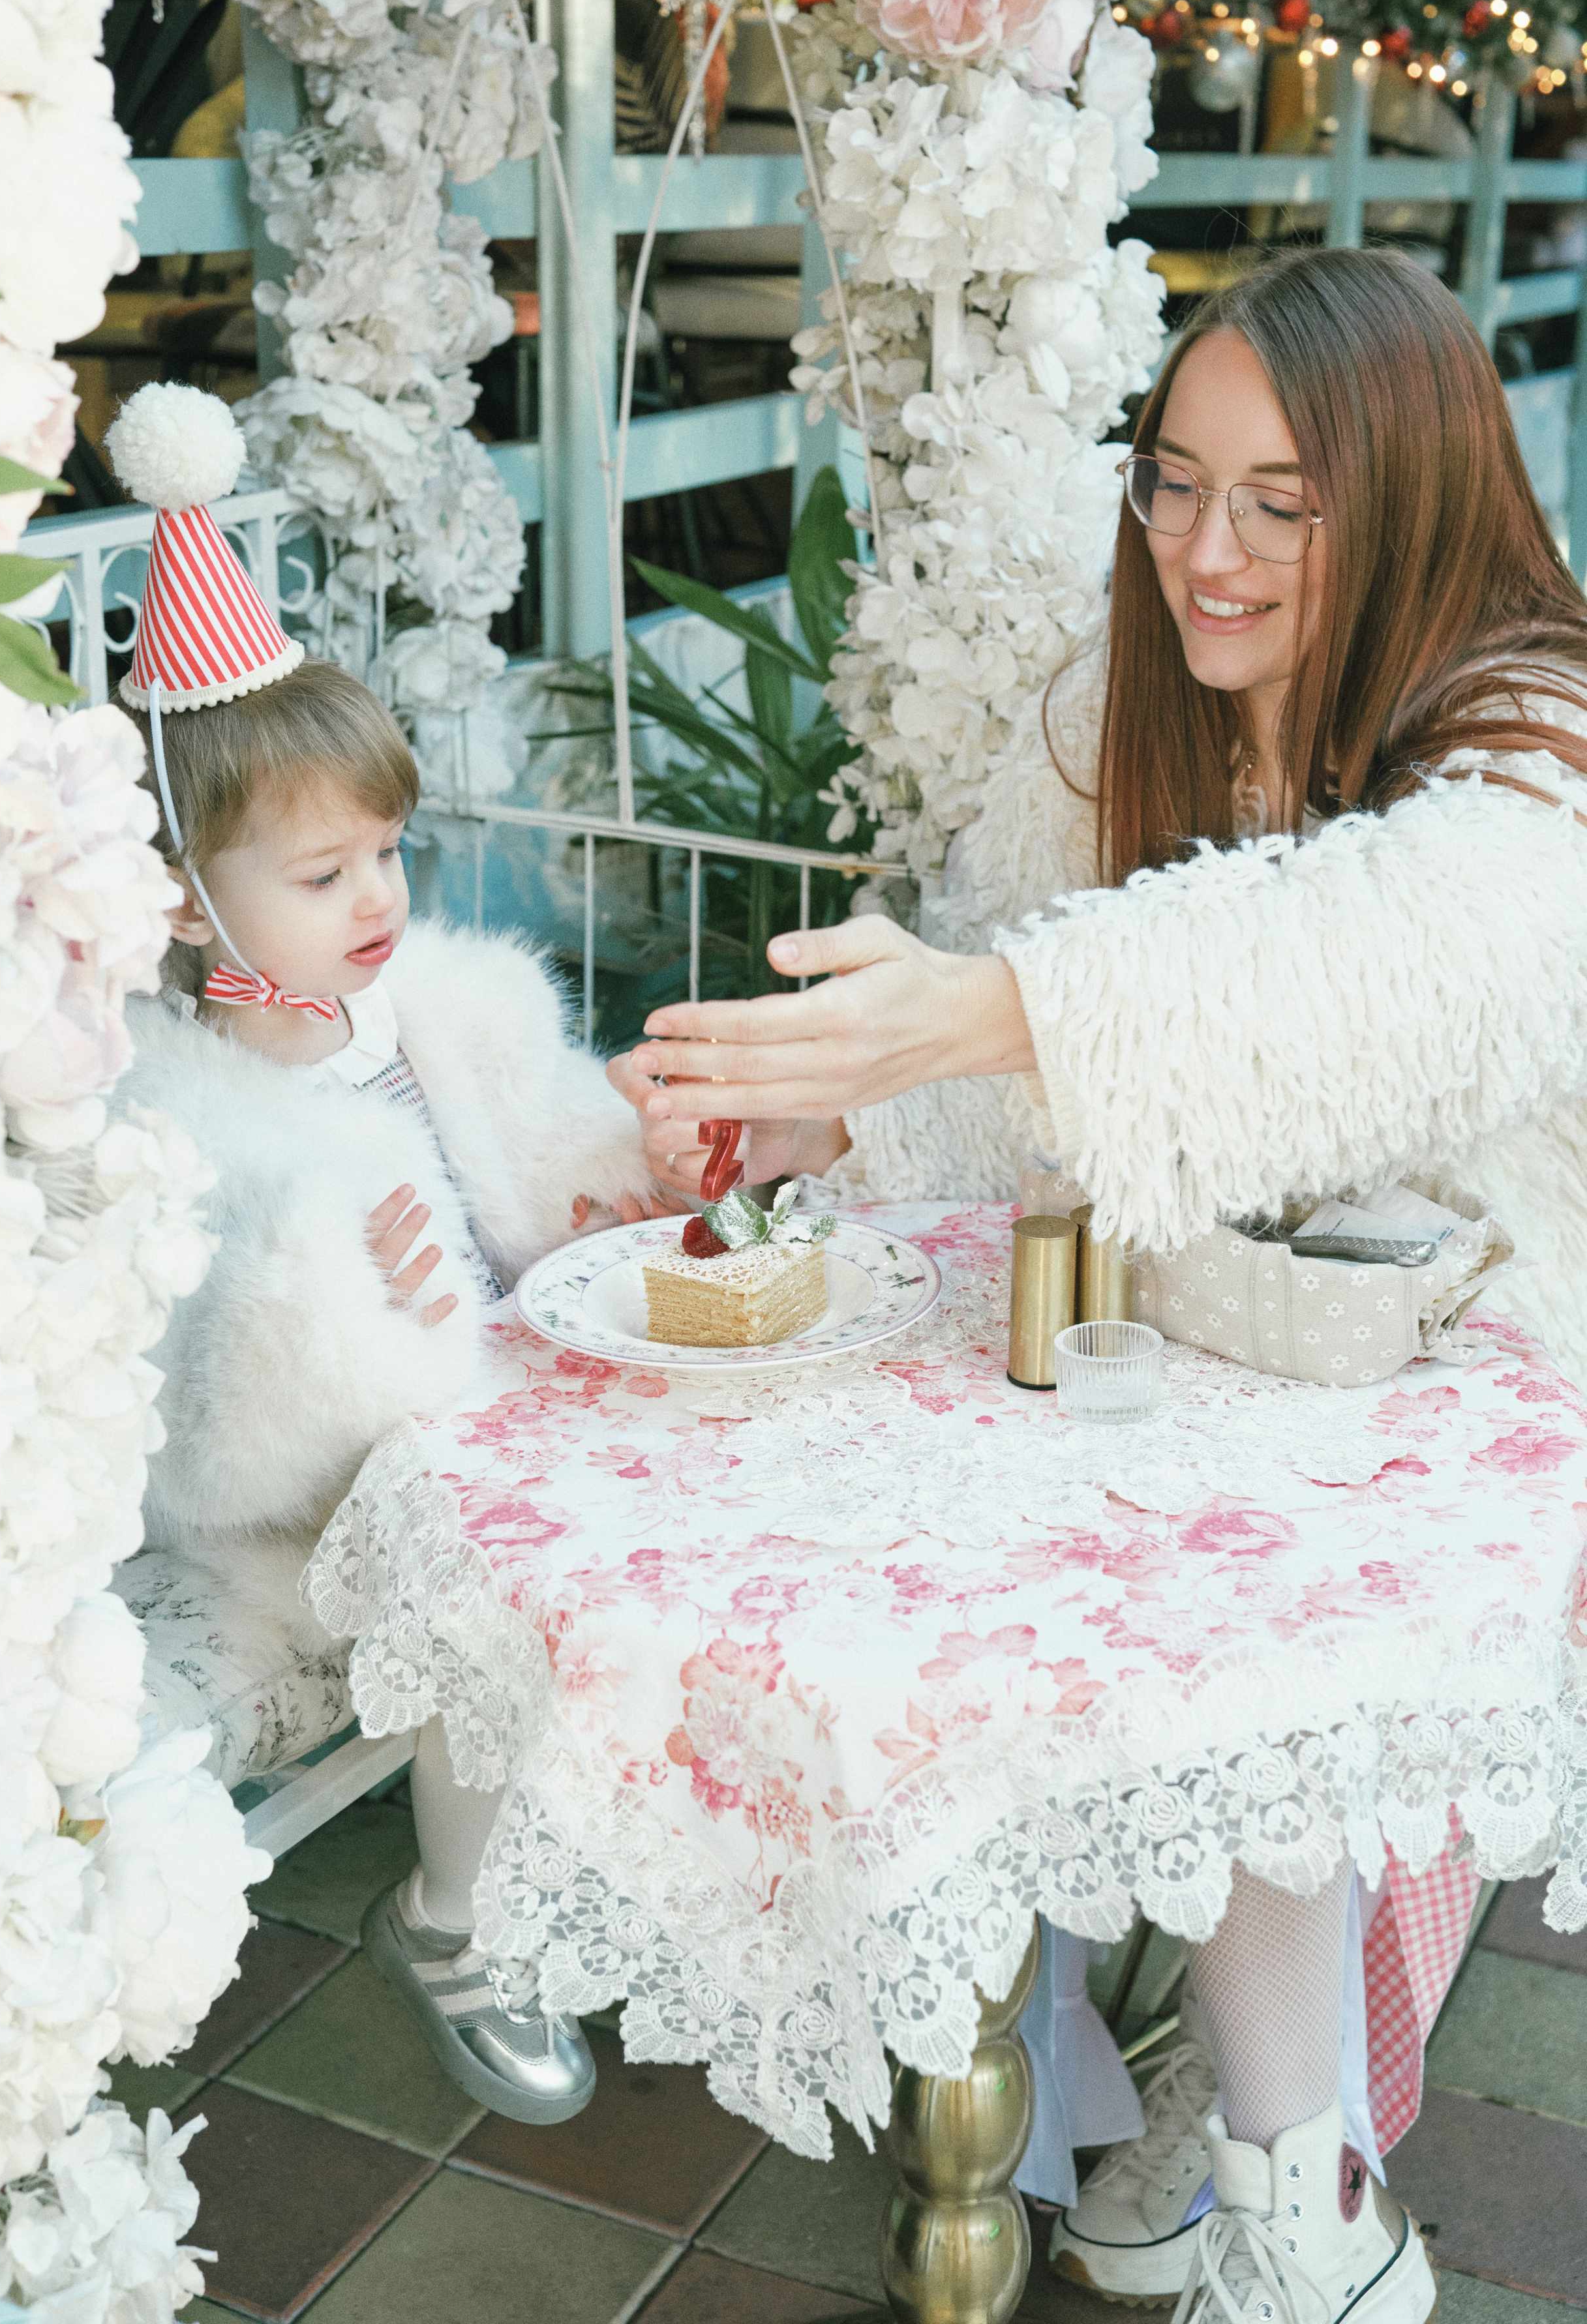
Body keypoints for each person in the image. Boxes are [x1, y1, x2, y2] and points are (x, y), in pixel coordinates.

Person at [612, 248, 1587, 2318]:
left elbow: (1352, 964)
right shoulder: (1142, 688)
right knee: (1033, 1521)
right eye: (1172, 481)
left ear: (1405, 505)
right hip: (1261, 1335)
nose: (1202, 554)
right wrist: (828, 1121)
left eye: (1278, 505)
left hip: (1497, 1386)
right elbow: (1028, 1050)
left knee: (1249, 1620)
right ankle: (1161, 2075)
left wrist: (972, 1014)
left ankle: (1298, 2188)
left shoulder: (1541, 739)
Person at [98, 383, 657, 2130]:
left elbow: (545, 1149)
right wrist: (362, 1312)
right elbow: (210, 1420)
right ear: (189, 903)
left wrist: (621, 1176)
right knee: (482, 1543)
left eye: (388, 852)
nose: (376, 898)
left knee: (679, 1463)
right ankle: (452, 1919)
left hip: (502, 1394)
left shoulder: (428, 1009)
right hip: (328, 1490)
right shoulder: (177, 1121)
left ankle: (637, 1850)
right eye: (323, 867)